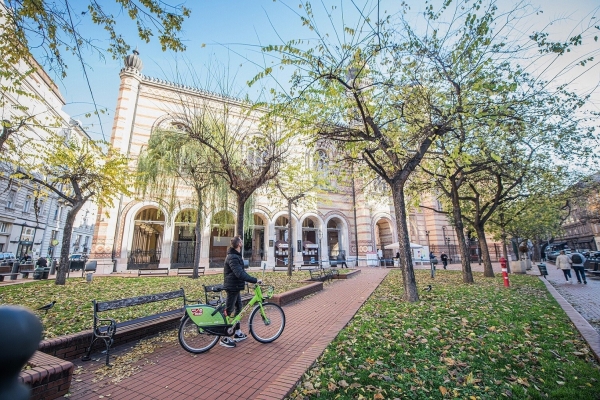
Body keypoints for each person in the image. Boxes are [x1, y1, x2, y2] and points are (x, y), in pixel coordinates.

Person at [221, 236, 261, 348]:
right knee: (229, 311)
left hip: (236, 286)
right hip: (232, 287)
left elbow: (240, 272)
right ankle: (224, 337)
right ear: (239, 244)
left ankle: (237, 332)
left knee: (239, 308)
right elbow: (239, 273)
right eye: (241, 241)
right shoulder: (232, 257)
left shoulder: (235, 255)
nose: (242, 242)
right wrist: (254, 280)